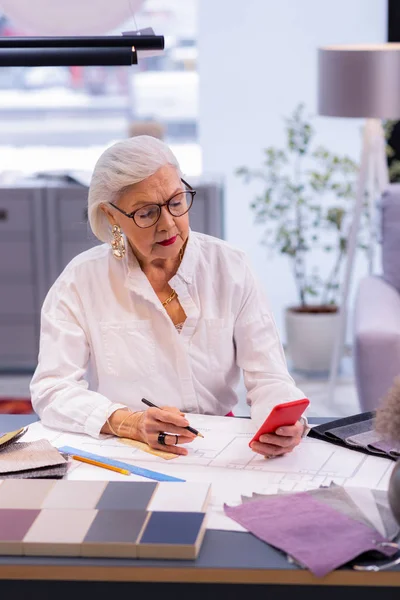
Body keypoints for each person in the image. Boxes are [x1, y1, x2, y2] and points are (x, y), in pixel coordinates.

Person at [30, 135, 309, 458]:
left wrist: (286, 422)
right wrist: (129, 422)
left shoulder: (231, 267)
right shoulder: (81, 280)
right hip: (129, 450)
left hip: (220, 448)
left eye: (176, 202)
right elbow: (52, 389)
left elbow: (270, 377)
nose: (168, 225)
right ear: (111, 216)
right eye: (146, 213)